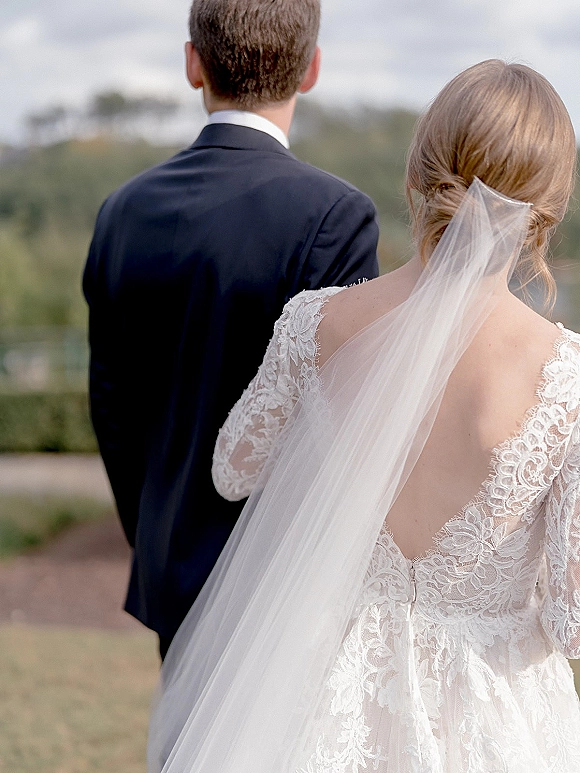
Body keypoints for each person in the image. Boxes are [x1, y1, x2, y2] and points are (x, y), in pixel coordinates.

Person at [148, 60, 580, 773]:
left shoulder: (316, 323)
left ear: (418, 175)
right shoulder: (564, 376)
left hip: (323, 684)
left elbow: (233, 470)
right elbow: (570, 623)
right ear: (549, 209)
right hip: (491, 712)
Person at [82, 0, 379, 657]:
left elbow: (110, 403)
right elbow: (348, 416)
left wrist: (157, 528)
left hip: (171, 569)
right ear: (311, 69)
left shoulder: (121, 212)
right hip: (283, 586)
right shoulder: (335, 215)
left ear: (193, 63)